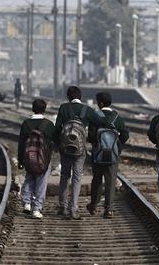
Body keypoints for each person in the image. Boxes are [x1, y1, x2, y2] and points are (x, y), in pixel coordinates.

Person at [55, 86, 106, 220]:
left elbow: (57, 128)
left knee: (65, 175)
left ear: (68, 97)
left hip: (65, 147)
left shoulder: (64, 108)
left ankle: (63, 206)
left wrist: (57, 144)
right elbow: (101, 122)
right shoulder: (87, 110)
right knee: (77, 177)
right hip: (80, 148)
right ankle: (74, 208)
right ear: (80, 97)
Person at [86, 92, 129, 218]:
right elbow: (125, 135)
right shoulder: (117, 118)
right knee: (111, 181)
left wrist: (98, 145)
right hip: (113, 156)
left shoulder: (95, 116)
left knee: (97, 180)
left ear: (100, 103)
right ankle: (109, 209)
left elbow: (91, 137)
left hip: (98, 155)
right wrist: (116, 145)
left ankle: (93, 205)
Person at [18, 99, 56, 219]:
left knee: (29, 178)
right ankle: (37, 209)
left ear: (32, 109)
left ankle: (26, 202)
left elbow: (21, 143)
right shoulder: (49, 125)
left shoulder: (26, 124)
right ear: (44, 110)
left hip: (29, 157)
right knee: (41, 182)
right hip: (44, 159)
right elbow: (54, 141)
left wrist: (20, 160)